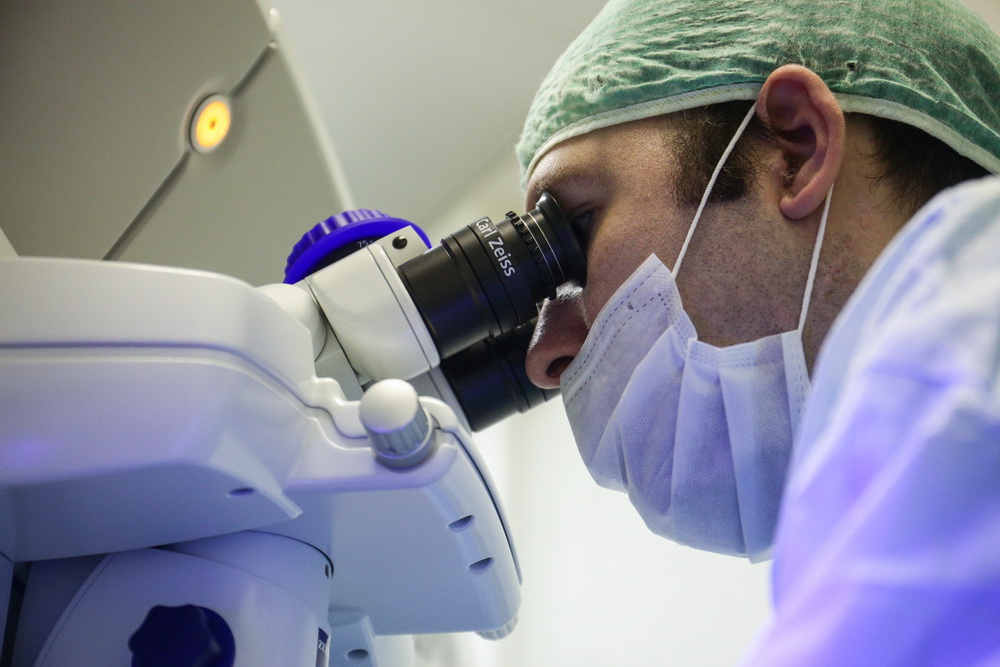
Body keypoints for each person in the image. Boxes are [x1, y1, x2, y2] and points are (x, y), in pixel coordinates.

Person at [516, 0, 1000, 662]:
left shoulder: (974, 361)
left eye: (574, 229)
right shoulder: (877, 507)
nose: (542, 355)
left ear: (795, 148)